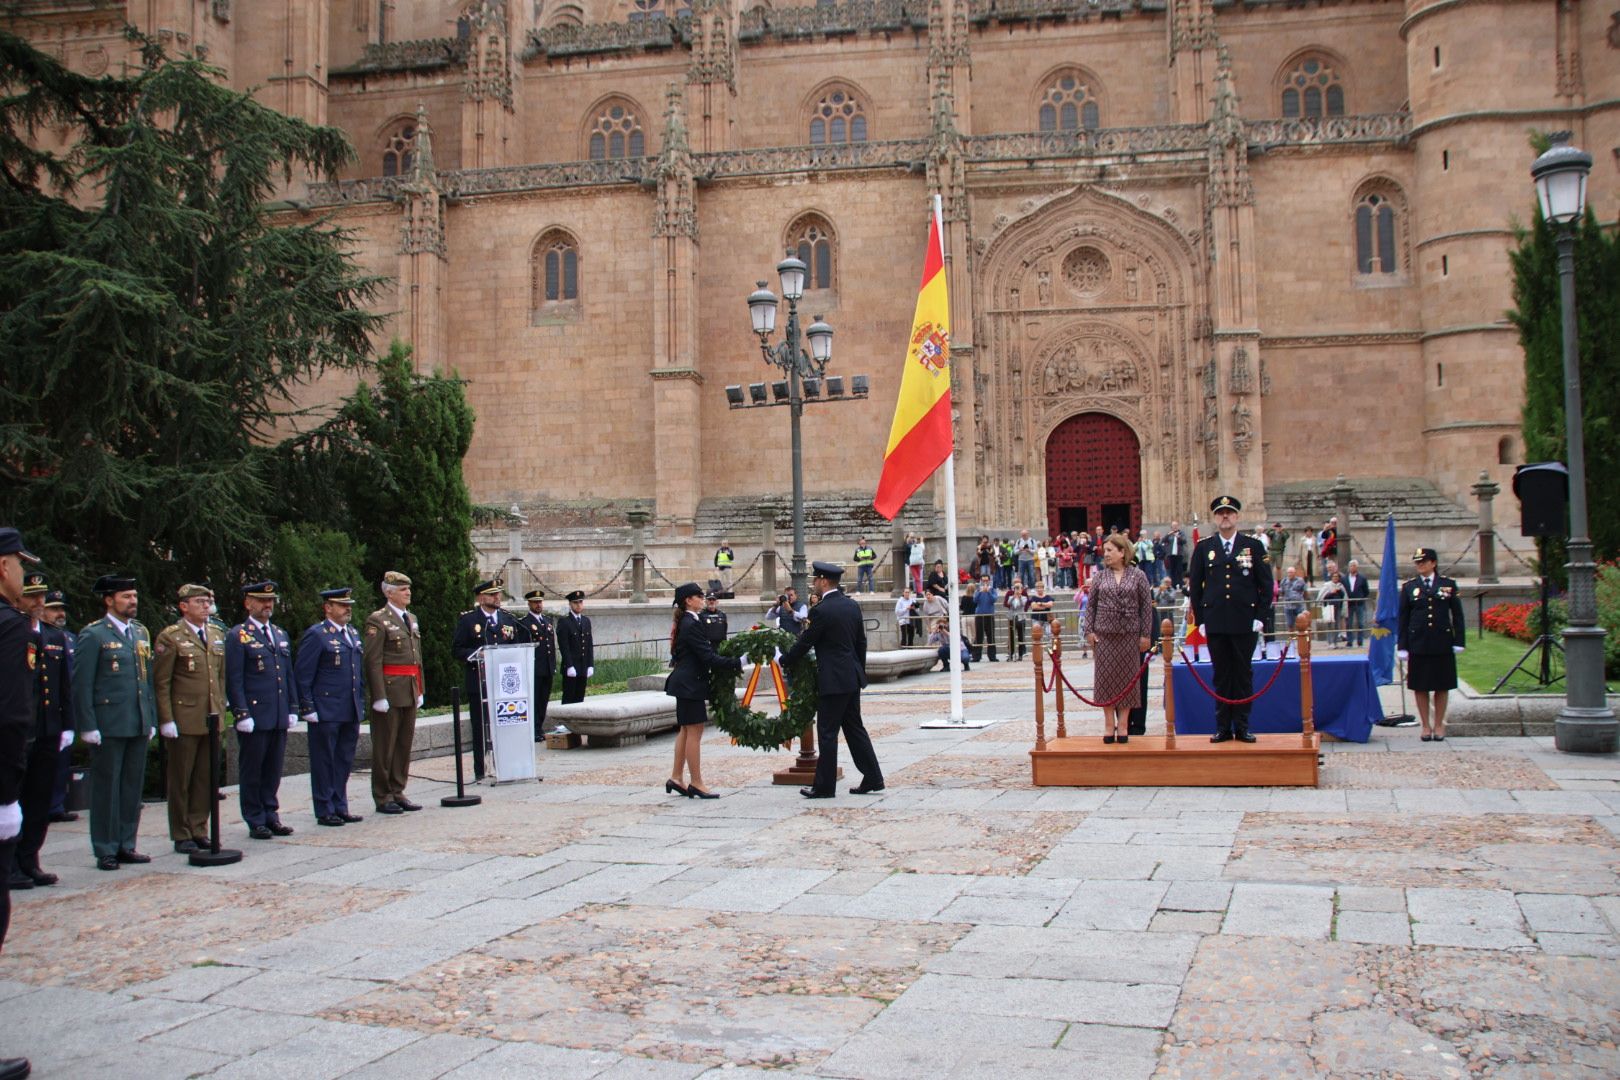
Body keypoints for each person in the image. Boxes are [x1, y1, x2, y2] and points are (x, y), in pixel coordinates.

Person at [73, 574, 156, 870]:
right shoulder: (94, 635)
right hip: (108, 722)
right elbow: (82, 684)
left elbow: (147, 680)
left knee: (131, 787)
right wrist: (87, 725)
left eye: (134, 596)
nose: (132, 601)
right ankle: (105, 847)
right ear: (109, 600)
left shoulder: (140, 632)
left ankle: (126, 843)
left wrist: (152, 717)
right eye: (125, 597)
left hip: (137, 720)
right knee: (107, 788)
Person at [783, 562, 883, 799]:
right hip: (851, 676)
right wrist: (857, 669)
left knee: (827, 732)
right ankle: (873, 777)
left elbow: (806, 641)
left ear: (824, 581)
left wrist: (785, 659)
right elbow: (861, 642)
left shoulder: (822, 610)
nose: (813, 583)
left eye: (815, 580)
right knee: (854, 728)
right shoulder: (851, 606)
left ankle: (824, 786)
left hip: (833, 680)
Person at [0, 528, 39, 1080]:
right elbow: (9, 715)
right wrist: (8, 796)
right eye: (17, 565)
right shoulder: (9, 627)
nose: (22, 575)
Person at [1188, 495, 1274, 743]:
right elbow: (1196, 587)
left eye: (1229, 512)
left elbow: (1266, 585)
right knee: (1222, 675)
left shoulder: (1253, 546)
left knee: (1243, 675)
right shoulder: (1205, 547)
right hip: (1215, 621)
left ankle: (1243, 726)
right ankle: (1223, 727)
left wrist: (1260, 617)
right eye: (1220, 513)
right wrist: (1201, 620)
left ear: (1236, 516)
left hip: (1244, 620)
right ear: (1215, 518)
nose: (1225, 516)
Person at [152, 583, 226, 854]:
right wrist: (166, 718)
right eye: (199, 602)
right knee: (181, 779)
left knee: (205, 779)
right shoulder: (171, 637)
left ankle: (199, 827)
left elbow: (219, 676)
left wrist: (220, 705)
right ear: (184, 606)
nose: (205, 607)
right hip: (184, 717)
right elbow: (162, 682)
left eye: (207, 602)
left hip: (210, 716)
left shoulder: (216, 634)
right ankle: (181, 832)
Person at [225, 581, 297, 840]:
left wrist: (292, 707)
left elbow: (287, 675)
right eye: (262, 600)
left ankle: (271, 813)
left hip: (277, 713)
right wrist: (241, 713)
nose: (268, 605)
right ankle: (255, 818)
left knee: (273, 768)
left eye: (271, 601)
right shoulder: (238, 635)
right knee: (252, 769)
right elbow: (234, 679)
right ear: (248, 603)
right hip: (255, 715)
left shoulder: (279, 634)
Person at [9, 573, 68, 891]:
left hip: (47, 728)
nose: (39, 603)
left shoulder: (54, 637)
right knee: (14, 798)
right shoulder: (12, 632)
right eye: (32, 597)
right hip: (21, 731)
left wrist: (67, 725)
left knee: (39, 797)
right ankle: (10, 864)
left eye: (42, 597)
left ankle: (30, 858)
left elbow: (63, 687)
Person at [295, 587, 367, 828]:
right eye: (342, 605)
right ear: (328, 608)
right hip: (326, 708)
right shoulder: (317, 635)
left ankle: (340, 804)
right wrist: (307, 706)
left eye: (349, 605)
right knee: (324, 760)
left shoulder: (352, 634)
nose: (348, 609)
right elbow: (303, 674)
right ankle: (324, 807)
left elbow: (358, 672)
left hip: (349, 707)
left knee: (344, 759)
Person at [663, 582, 743, 799]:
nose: (702, 598)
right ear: (689, 600)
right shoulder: (691, 623)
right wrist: (738, 662)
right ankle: (696, 782)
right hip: (691, 684)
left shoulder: (688, 621)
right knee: (694, 732)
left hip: (686, 682)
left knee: (686, 730)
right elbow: (707, 657)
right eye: (698, 596)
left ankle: (677, 776)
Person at [363, 570, 425, 815]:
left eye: (408, 589)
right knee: (385, 746)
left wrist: (420, 688)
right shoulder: (378, 620)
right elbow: (372, 660)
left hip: (409, 688)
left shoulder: (411, 618)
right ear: (389, 592)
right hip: (389, 690)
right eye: (402, 589)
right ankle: (382, 795)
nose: (408, 593)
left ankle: (398, 790)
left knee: (403, 744)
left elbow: (417, 658)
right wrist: (378, 696)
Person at [1083, 533, 1153, 743]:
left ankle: (1123, 724)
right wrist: (1089, 631)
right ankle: (1108, 723)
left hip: (1129, 636)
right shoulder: (1100, 577)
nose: (1106, 555)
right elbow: (1091, 606)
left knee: (1127, 681)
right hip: (1104, 636)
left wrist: (1145, 635)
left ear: (1122, 552)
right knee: (1105, 681)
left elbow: (1146, 607)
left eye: (1110, 550)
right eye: (1105, 551)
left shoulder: (1138, 575)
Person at [452, 580, 528, 761]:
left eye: (498, 593)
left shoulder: (508, 619)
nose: (497, 597)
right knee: (479, 726)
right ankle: (481, 768)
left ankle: (507, 762)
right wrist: (479, 655)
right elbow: (457, 650)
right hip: (479, 682)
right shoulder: (469, 620)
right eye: (492, 594)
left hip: (504, 685)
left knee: (506, 725)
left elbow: (515, 647)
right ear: (480, 598)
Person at [1398, 547, 1466, 741]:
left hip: (1441, 641)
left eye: (1424, 561)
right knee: (1420, 685)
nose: (1420, 565)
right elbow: (1403, 618)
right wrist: (1402, 645)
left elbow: (1458, 616)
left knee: (1441, 685)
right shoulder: (1409, 587)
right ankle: (1425, 726)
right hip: (1418, 642)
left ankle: (1438, 725)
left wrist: (1459, 641)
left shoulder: (1447, 584)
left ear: (1433, 563)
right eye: (1417, 562)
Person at [42, 589, 78, 825]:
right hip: (45, 707)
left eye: (62, 609)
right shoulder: (38, 635)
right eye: (54, 609)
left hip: (66, 707)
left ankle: (56, 804)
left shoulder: (71, 638)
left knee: (62, 761)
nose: (60, 614)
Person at [517, 589, 557, 737]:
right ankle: (533, 730)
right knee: (534, 700)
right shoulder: (524, 623)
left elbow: (551, 646)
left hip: (547, 668)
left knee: (543, 700)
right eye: (535, 602)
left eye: (540, 602)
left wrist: (552, 665)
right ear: (529, 604)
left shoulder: (547, 621)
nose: (538, 605)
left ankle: (539, 727)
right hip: (534, 669)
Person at [556, 589, 595, 704]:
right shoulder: (564, 622)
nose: (578, 605)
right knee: (568, 698)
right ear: (570, 604)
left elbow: (589, 645)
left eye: (580, 602)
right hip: (571, 667)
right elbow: (564, 646)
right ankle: (565, 722)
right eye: (575, 603)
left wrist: (590, 664)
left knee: (580, 698)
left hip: (583, 667)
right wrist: (569, 665)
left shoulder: (586, 621)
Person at [972, 575, 999, 662]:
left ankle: (992, 656)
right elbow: (975, 600)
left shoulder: (993, 590)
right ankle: (976, 656)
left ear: (989, 581)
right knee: (979, 636)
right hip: (980, 616)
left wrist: (988, 592)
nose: (985, 582)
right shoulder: (978, 590)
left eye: (986, 580)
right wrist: (981, 592)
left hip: (989, 615)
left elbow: (994, 600)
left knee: (991, 636)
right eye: (983, 580)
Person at [1343, 559, 1371, 647]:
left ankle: (1360, 641)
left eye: (1354, 566)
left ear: (1357, 567)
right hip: (1349, 604)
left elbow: (1366, 591)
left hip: (1359, 604)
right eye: (1351, 566)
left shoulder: (1362, 578)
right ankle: (1350, 641)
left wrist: (1361, 598)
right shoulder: (1344, 578)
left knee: (1361, 623)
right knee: (1349, 623)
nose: (1352, 568)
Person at [1279, 566, 1308, 644]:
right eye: (1288, 572)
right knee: (1290, 623)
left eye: (1291, 572)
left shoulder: (1300, 580)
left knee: (1301, 622)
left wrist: (1303, 599)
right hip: (1288, 606)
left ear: (1295, 573)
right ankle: (1291, 640)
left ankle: (1302, 639)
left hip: (1299, 605)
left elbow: (1305, 591)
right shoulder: (1284, 581)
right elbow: (1281, 592)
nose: (1290, 574)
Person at [1318, 572, 1348, 646]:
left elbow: (1343, 597)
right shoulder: (1327, 586)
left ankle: (1335, 642)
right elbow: (1323, 597)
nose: (1335, 578)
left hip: (1338, 608)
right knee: (1330, 625)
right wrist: (1332, 593)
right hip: (1329, 608)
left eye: (1337, 577)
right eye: (1334, 576)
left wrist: (1339, 591)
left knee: (1336, 625)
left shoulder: (1341, 586)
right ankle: (1330, 642)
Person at [1003, 580, 1030, 660]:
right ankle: (1011, 654)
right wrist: (1014, 597)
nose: (1018, 590)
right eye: (1016, 588)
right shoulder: (1011, 597)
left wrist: (1020, 597)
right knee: (1011, 637)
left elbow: (1023, 604)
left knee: (1021, 637)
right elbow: (1008, 604)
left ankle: (1020, 655)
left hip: (1021, 618)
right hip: (1012, 618)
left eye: (1019, 588)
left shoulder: (1024, 597)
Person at [1162, 522, 1188, 599]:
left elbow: (1184, 541)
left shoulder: (1181, 533)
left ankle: (1180, 585)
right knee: (1172, 570)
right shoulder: (1169, 534)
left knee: (1179, 570)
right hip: (1171, 555)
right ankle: (1173, 585)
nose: (1175, 527)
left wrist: (1178, 537)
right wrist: (1168, 535)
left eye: (1176, 526)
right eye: (1173, 526)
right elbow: (1163, 540)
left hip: (1179, 554)